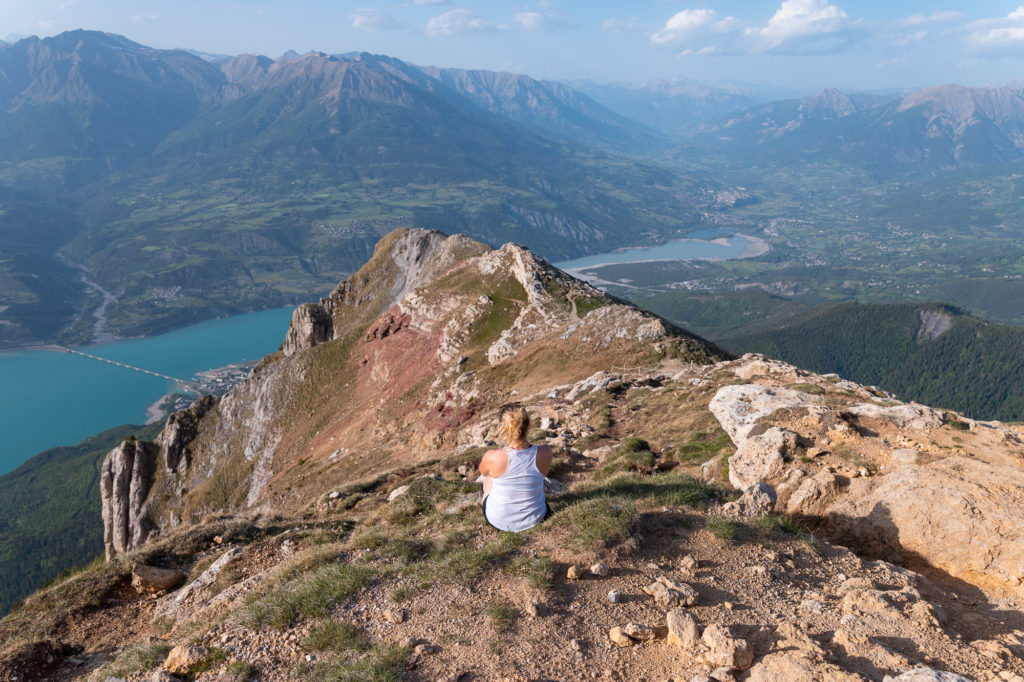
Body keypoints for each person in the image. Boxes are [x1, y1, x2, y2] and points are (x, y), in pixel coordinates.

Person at [478, 405, 554, 532]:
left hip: (498, 521)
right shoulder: (546, 452)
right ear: (529, 423)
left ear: (502, 428)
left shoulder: (493, 456)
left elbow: (482, 471)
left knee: (489, 476)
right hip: (537, 518)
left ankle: (487, 501)